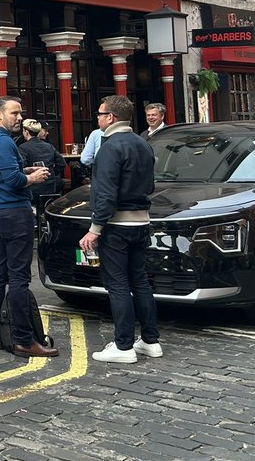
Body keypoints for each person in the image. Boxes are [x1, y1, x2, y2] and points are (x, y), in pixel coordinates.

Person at [80, 96, 162, 364]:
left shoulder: (109, 147)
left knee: (117, 285)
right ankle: (150, 340)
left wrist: (94, 229)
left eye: (100, 114)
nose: (98, 118)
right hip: (141, 221)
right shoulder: (143, 143)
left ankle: (124, 345)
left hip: (116, 225)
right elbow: (149, 185)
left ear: (111, 117)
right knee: (140, 281)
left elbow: (105, 194)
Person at [0, 97, 56, 359]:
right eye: (15, 113)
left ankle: (0, 334)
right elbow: (12, 180)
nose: (20, 117)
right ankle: (23, 339)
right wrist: (31, 178)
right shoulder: (3, 141)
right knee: (19, 278)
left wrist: (24, 169)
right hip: (15, 213)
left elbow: (2, 173)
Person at [17, 118, 63, 211]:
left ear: (26, 132)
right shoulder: (49, 146)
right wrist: (51, 173)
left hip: (33, 188)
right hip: (50, 186)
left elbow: (22, 167)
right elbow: (61, 164)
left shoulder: (23, 148)